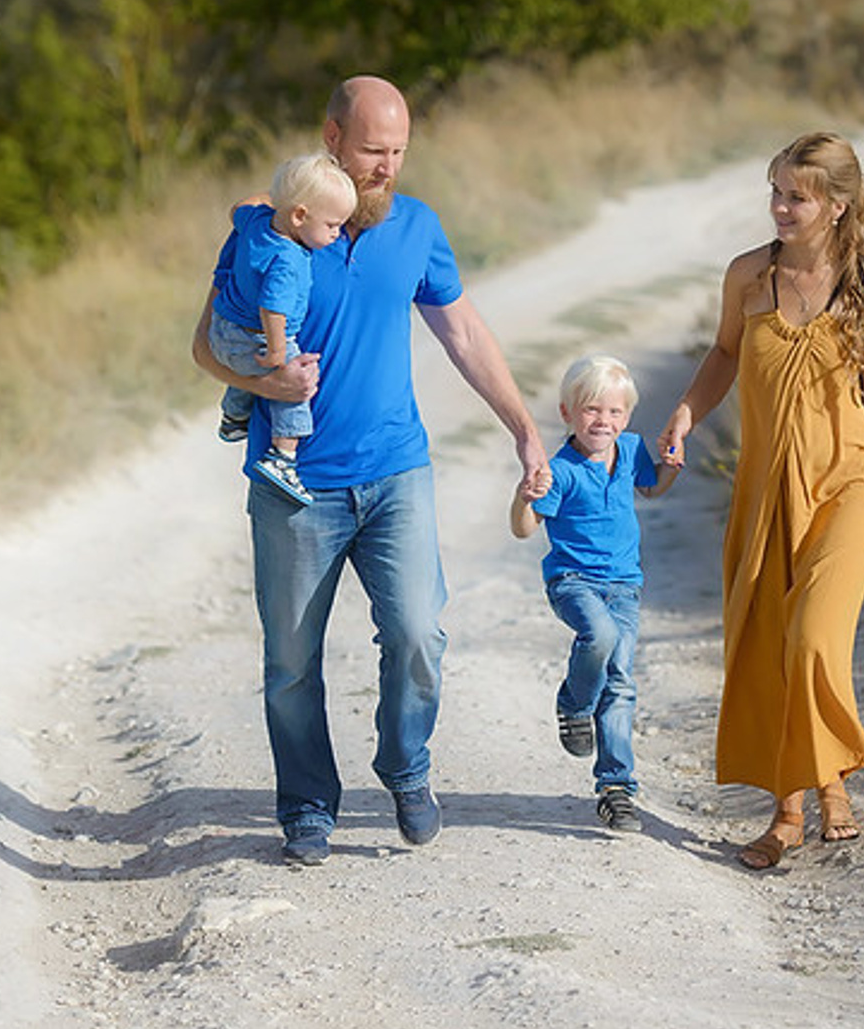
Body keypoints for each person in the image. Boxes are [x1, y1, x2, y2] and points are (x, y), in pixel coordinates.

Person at [192, 75, 549, 866]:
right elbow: (206, 345)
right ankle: (309, 807)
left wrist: (526, 430)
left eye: (398, 151)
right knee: (291, 661)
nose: (387, 166)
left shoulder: (417, 226)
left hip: (396, 473)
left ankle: (405, 764)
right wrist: (266, 384)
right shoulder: (270, 235)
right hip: (296, 485)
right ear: (331, 139)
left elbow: (463, 332)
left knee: (420, 632)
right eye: (372, 150)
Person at [657, 132, 864, 871]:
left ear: (835, 206)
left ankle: (827, 781)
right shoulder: (748, 275)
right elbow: (724, 355)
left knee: (811, 639)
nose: (779, 207)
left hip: (852, 481)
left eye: (795, 196)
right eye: (774, 191)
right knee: (773, 645)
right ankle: (791, 810)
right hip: (768, 485)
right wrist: (685, 413)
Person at [510, 355, 680, 833]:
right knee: (600, 639)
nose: (603, 421)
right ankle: (574, 703)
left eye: (614, 412)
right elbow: (524, 529)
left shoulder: (629, 451)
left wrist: (670, 466)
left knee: (622, 681)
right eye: (591, 410)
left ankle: (617, 789)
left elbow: (652, 489)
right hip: (573, 582)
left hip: (625, 585)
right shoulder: (559, 470)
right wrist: (524, 495)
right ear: (567, 413)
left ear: (626, 417)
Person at [208, 151, 357, 506]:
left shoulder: (259, 220)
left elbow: (237, 210)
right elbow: (272, 308)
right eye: (333, 225)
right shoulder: (288, 260)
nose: (338, 234)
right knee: (296, 382)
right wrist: (278, 353)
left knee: (251, 360)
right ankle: (282, 458)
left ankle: (234, 415)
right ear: (300, 215)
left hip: (223, 329)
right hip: (255, 334)